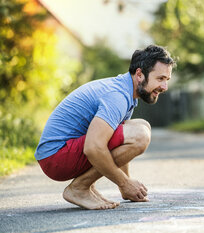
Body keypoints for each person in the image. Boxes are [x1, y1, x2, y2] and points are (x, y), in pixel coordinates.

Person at [35, 45, 176, 210]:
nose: (164, 87)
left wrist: (126, 188)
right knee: (140, 135)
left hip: (60, 152)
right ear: (139, 74)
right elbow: (93, 147)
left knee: (142, 125)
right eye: (160, 79)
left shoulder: (126, 92)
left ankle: (86, 186)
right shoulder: (117, 96)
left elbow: (115, 143)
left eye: (167, 80)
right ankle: (79, 188)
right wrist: (124, 183)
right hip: (55, 157)